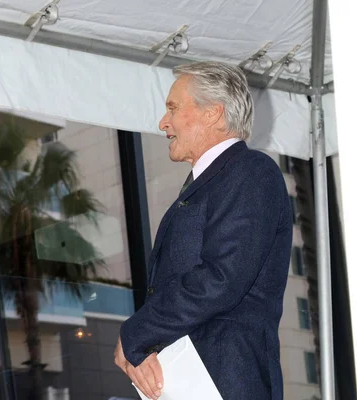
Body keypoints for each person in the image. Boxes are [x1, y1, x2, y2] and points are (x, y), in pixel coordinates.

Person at [114, 62, 292, 400]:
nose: (163, 123)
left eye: (173, 108)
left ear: (213, 113)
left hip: (225, 383)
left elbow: (221, 278)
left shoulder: (252, 173)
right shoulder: (214, 182)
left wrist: (136, 333)